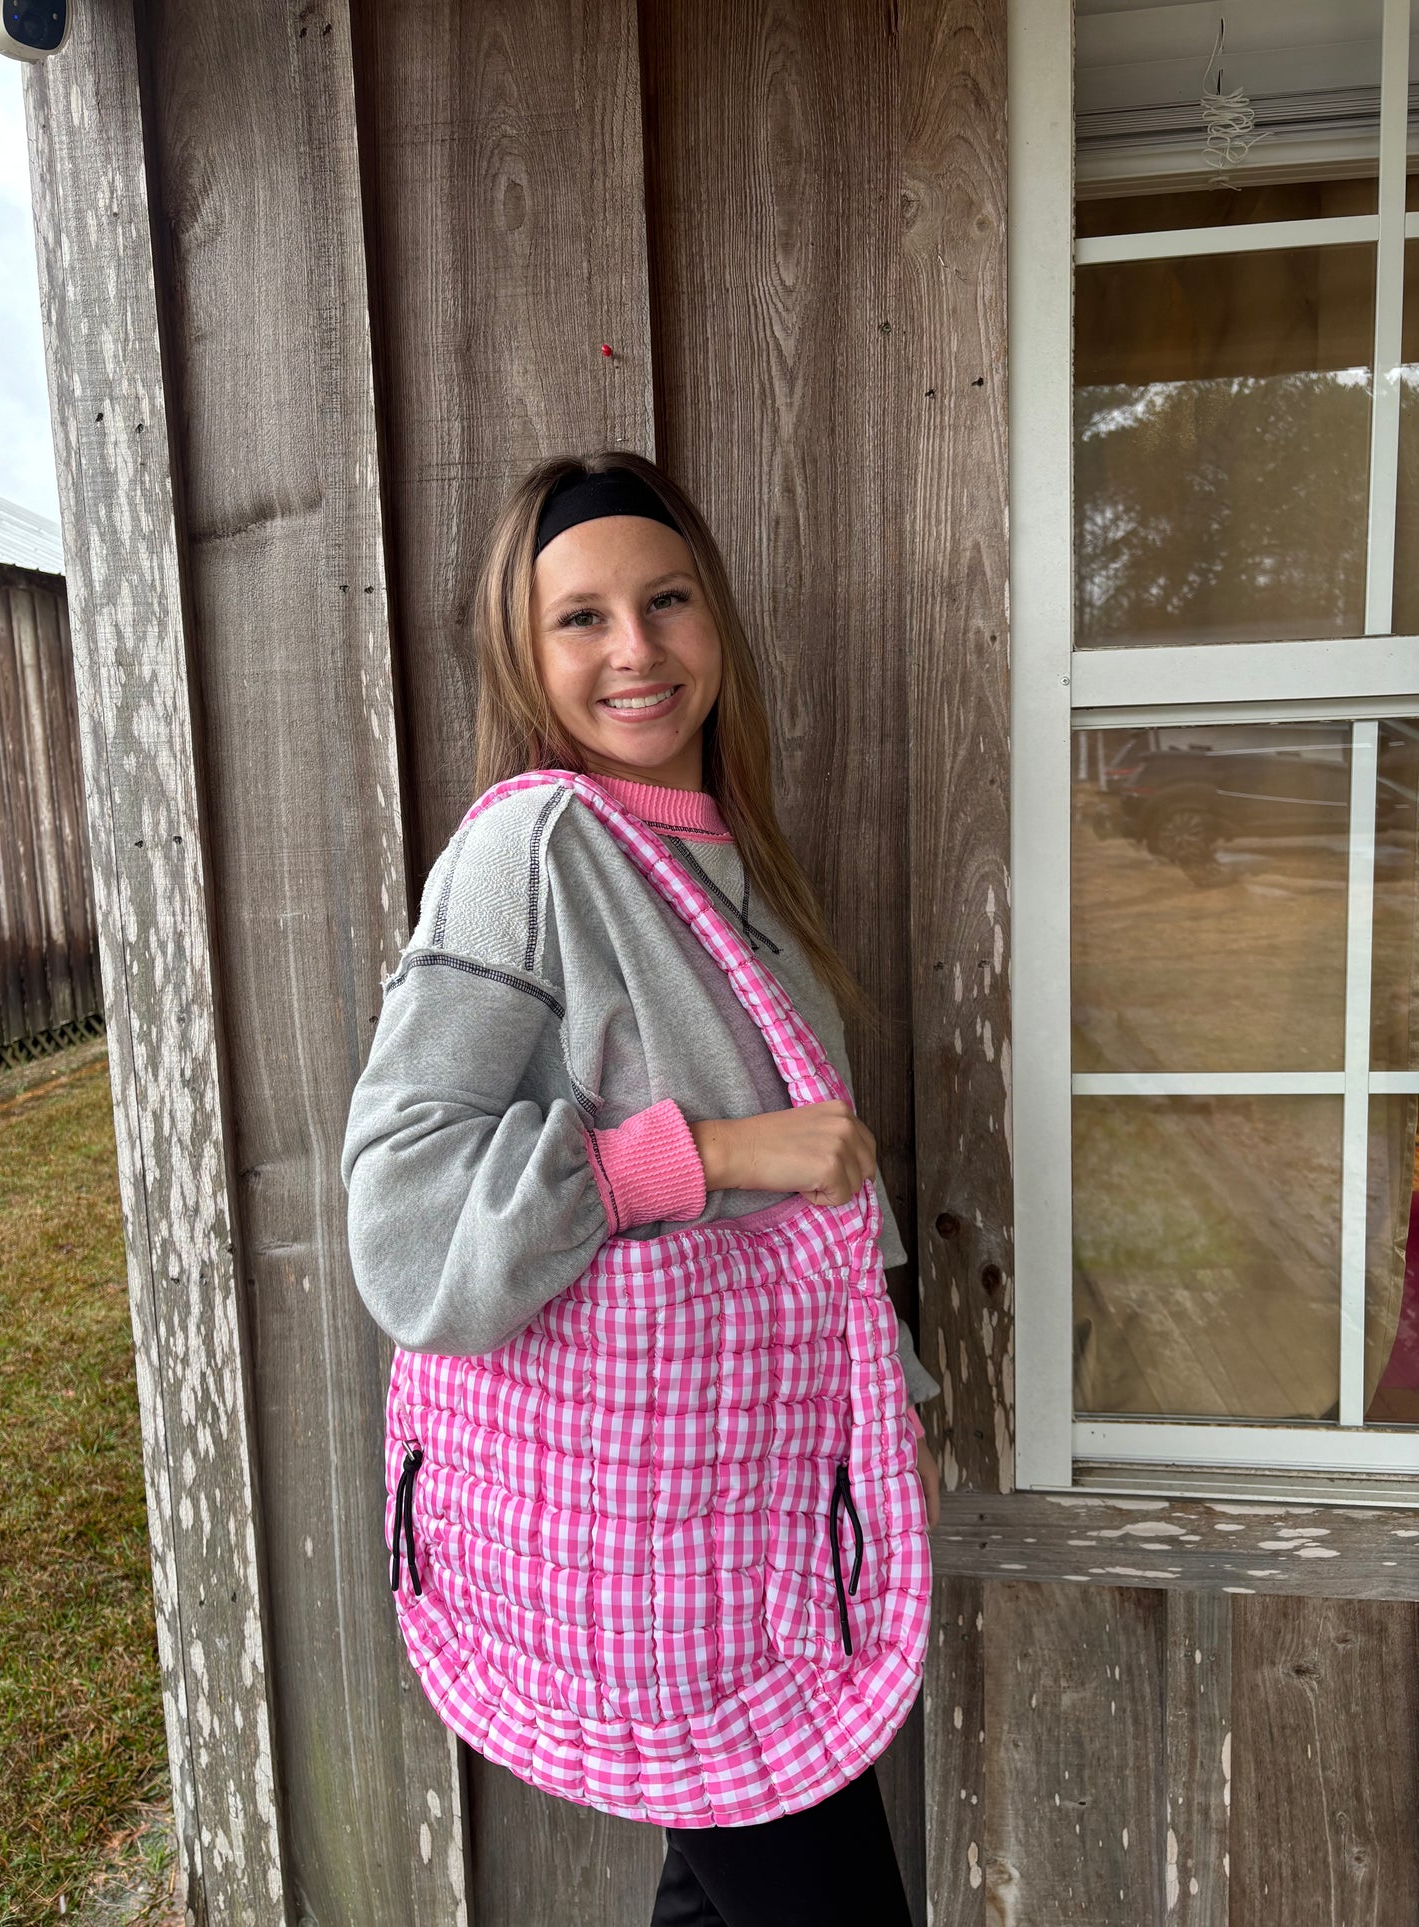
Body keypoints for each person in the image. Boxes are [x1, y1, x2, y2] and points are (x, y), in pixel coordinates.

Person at [341, 450, 943, 1926]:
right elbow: (402, 1209)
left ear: (714, 618)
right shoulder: (532, 847)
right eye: (580, 618)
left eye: (663, 601)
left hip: (750, 1520)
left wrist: (886, 1397)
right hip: (653, 1542)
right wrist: (715, 1154)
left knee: (708, 1884)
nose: (633, 650)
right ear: (523, 653)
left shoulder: (729, 857)